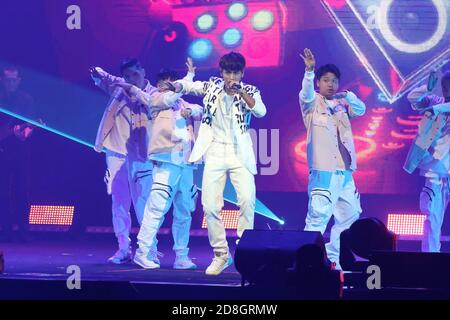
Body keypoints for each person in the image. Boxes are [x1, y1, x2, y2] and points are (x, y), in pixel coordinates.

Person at [166, 52, 266, 275]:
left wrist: (240, 91)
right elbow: (189, 87)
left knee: (248, 201)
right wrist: (177, 86)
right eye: (228, 72)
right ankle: (221, 254)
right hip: (214, 152)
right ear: (221, 72)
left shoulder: (249, 90)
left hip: (239, 154)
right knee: (210, 206)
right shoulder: (211, 87)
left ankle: (244, 250)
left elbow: (260, 110)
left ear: (242, 73)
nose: (231, 76)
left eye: (236, 72)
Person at [90, 58, 185, 263]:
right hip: (116, 151)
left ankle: (148, 248)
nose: (131, 79)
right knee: (119, 201)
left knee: (144, 202)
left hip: (143, 155)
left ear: (142, 71)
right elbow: (106, 78)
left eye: (134, 74)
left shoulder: (155, 94)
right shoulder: (119, 90)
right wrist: (97, 72)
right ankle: (123, 247)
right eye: (127, 76)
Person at [298, 48, 366, 270]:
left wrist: (348, 96)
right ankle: (307, 264)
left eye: (334, 81)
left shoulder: (341, 104)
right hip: (323, 171)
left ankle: (333, 258)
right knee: (317, 217)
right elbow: (306, 92)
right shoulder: (311, 103)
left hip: (345, 172)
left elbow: (361, 109)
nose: (330, 84)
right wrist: (309, 70)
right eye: (326, 80)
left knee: (350, 216)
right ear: (319, 82)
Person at [134, 62, 203, 270]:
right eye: (165, 82)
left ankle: (181, 256)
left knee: (184, 210)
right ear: (159, 85)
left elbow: (200, 110)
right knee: (157, 207)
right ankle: (142, 252)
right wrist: (189, 76)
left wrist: (190, 110)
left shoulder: (183, 104)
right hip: (166, 160)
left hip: (186, 162)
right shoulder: (156, 99)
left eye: (172, 82)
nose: (170, 85)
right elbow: (170, 96)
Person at [404, 70, 450, 252]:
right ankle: (431, 259)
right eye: (446, 86)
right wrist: (427, 88)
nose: (447, 90)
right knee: (432, 216)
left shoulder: (438, 107)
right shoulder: (436, 101)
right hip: (435, 169)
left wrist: (436, 109)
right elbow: (413, 99)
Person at [0, 66, 35, 242]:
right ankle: (4, 229)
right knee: (2, 190)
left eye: (14, 80)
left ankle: (23, 230)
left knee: (22, 190)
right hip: (2, 150)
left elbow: (29, 125)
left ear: (19, 80)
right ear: (2, 80)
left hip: (20, 150)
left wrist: (23, 134)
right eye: (8, 80)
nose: (11, 83)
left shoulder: (25, 100)